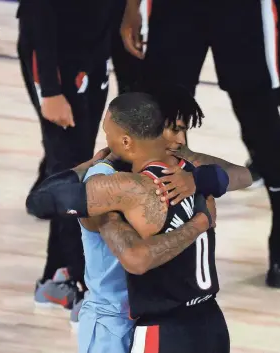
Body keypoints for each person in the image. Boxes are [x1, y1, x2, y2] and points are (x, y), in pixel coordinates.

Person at [27, 90, 252, 352]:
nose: (180, 140)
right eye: (174, 129)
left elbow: (137, 259)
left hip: (160, 324)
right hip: (149, 319)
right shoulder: (186, 170)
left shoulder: (183, 171)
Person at [120, 0, 280, 288]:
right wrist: (132, 7)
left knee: (260, 119)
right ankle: (171, 236)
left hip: (243, 10)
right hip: (177, 9)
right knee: (165, 119)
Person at [16, 0, 121, 312]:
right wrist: (50, 89)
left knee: (77, 163)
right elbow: (40, 13)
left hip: (93, 47)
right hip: (55, 56)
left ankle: (56, 276)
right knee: (69, 170)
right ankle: (80, 280)